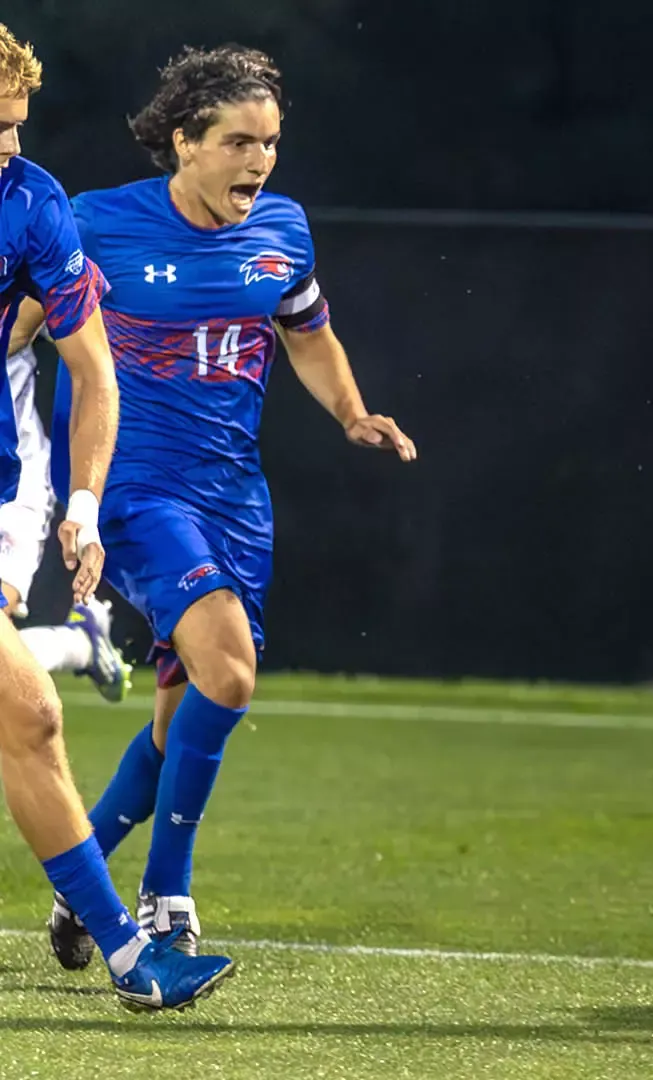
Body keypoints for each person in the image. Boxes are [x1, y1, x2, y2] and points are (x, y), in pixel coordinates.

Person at [45, 43, 416, 972]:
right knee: (232, 671)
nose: (261, 161)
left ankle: (75, 883)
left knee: (184, 713)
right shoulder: (94, 225)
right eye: (241, 142)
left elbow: (309, 336)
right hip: (132, 485)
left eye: (273, 143)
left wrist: (352, 412)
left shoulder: (282, 233)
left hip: (233, 497)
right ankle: (167, 893)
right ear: (184, 142)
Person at [0, 20, 234, 1010]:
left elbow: (96, 375)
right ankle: (136, 963)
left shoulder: (32, 205)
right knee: (33, 715)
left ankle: (133, 964)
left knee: (29, 721)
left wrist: (85, 506)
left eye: (15, 125)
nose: (8, 148)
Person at [2, 297, 133, 702]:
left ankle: (77, 643)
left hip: (10, 484)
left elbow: (93, 370)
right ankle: (78, 643)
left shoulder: (26, 250)